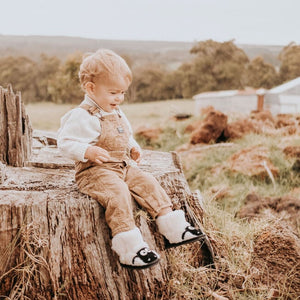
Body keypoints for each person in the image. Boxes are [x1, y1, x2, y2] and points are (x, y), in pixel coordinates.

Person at [57, 49, 202, 269]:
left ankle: (173, 227)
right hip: (95, 172)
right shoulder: (83, 116)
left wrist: (133, 147)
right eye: (114, 92)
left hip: (122, 166)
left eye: (123, 93)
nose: (119, 98)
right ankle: (130, 247)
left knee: (148, 182)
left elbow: (125, 134)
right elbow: (65, 142)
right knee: (119, 193)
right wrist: (87, 151)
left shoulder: (116, 111)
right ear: (90, 88)